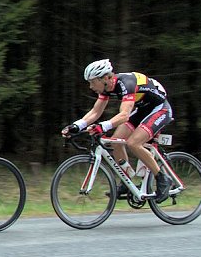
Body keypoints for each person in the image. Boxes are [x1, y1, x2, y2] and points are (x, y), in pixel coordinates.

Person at [61, 59, 173, 203]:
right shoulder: (107, 87)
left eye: (92, 82)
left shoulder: (126, 83)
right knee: (116, 141)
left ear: (105, 78)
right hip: (143, 108)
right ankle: (127, 181)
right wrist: (76, 126)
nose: (90, 86)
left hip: (160, 109)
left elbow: (124, 115)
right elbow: (96, 111)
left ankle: (163, 179)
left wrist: (103, 126)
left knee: (134, 143)